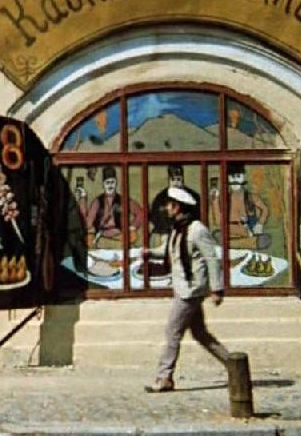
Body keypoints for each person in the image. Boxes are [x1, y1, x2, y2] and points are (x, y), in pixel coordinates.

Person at [143, 186, 230, 393]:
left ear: (178, 207)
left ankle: (164, 377)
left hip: (190, 291)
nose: (166, 208)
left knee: (172, 331)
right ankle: (234, 364)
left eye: (169, 205)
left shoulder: (197, 230)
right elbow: (168, 251)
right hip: (183, 287)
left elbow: (212, 259)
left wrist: (217, 289)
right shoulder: (177, 228)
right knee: (201, 334)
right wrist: (150, 253)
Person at [76, 166, 143, 248]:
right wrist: (83, 198)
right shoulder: (98, 201)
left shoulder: (123, 200)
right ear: (103, 184)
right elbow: (88, 223)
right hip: (101, 236)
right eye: (107, 183)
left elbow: (140, 213)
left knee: (133, 235)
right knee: (88, 239)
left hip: (120, 236)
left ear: (116, 183)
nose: (110, 185)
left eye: (112, 182)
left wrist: (132, 227)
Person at [149, 164, 200, 244]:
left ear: (182, 178)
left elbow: (198, 214)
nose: (176, 182)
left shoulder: (193, 197)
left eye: (178, 179)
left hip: (188, 232)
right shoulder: (160, 198)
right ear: (169, 179)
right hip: (165, 232)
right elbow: (154, 216)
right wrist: (167, 228)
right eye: (173, 179)